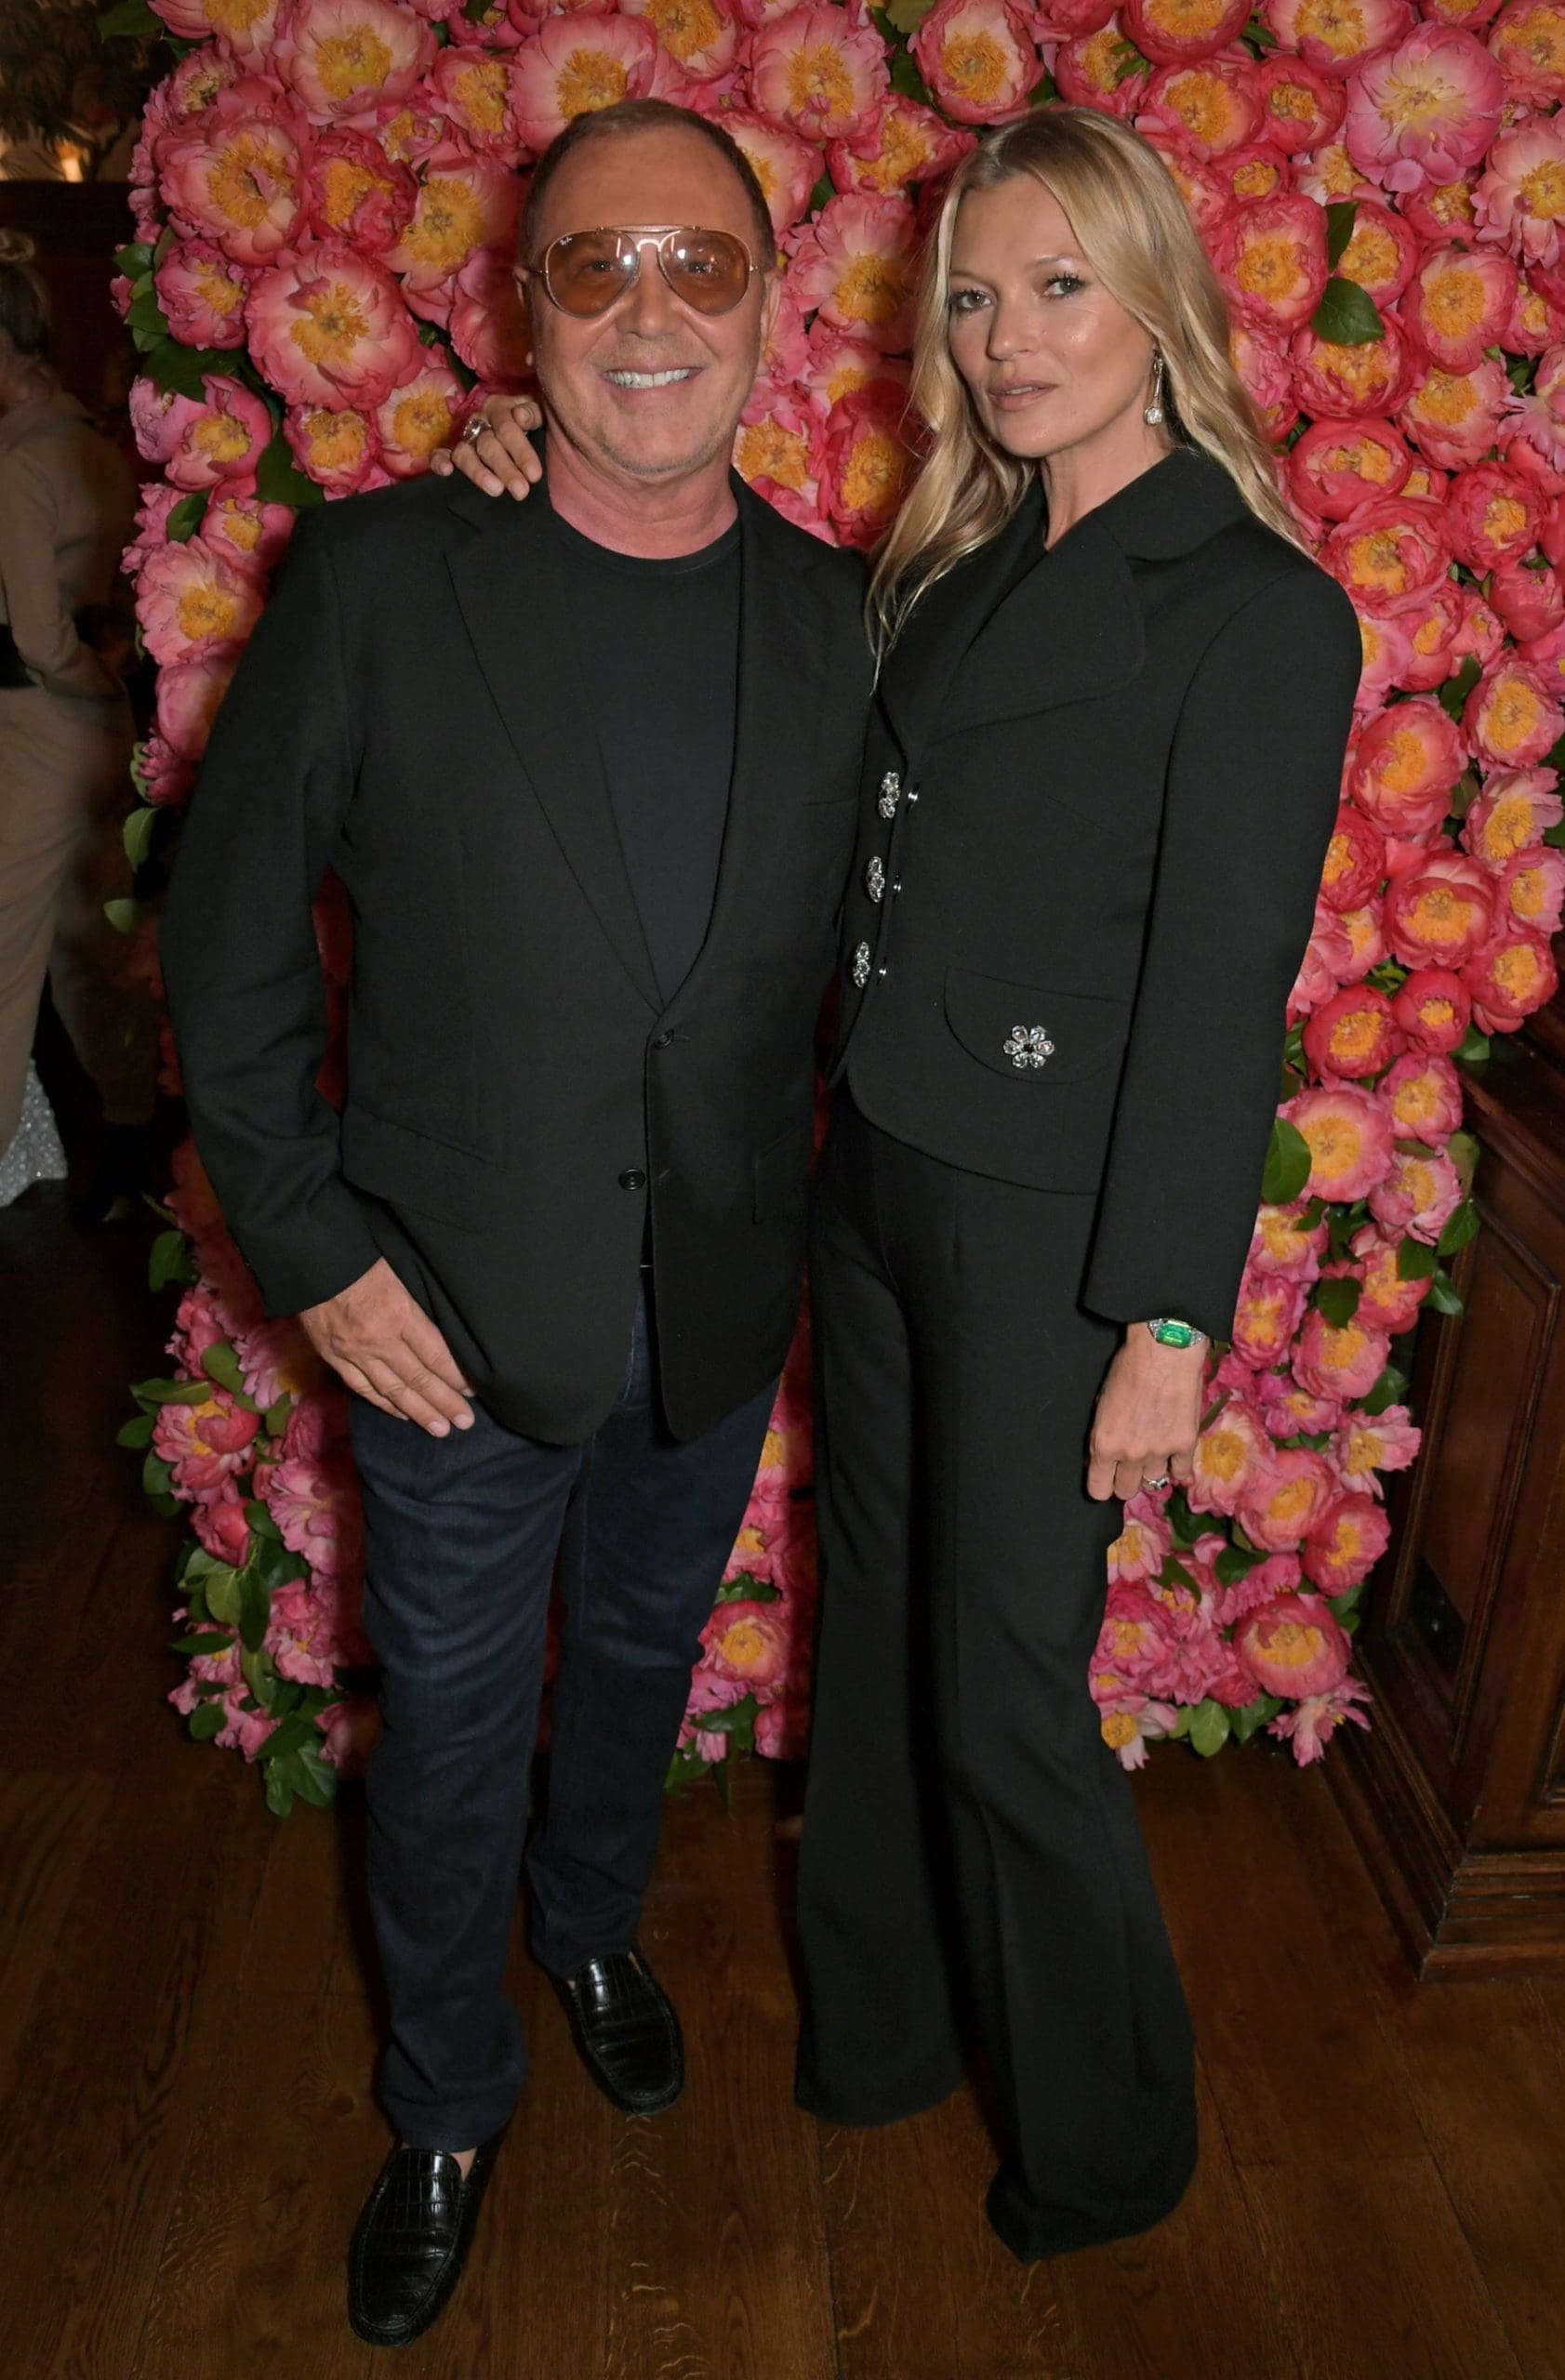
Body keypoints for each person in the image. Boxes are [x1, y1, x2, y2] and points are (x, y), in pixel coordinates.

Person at [455, 106, 1360, 2264]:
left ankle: (1107, 2146)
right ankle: (876, 2035)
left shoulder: (1253, 610)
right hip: (871, 1178)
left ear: (1157, 304)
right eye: (971, 298)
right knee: (867, 1647)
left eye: (1055, 288)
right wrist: (522, 455)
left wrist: (1166, 1316)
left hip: (1053, 1234)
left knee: (1003, 1692)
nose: (1005, 337)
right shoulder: (955, 563)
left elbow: (1219, 997)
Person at [160, 100, 869, 2349]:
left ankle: (588, 1923)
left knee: (638, 1670)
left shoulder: (845, 619)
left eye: (698, 263)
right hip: (443, 1321)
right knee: (453, 1723)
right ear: (521, 310)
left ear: (769, 304)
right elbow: (223, 935)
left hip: (716, 1306)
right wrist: (311, 1244)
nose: (649, 310)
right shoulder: (384, 576)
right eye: (594, 265)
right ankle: (447, 2097)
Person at [0, 231, 155, 1215]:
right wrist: (117, 690)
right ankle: (133, 1140)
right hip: (103, 736)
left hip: (35, 728)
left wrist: (87, 682)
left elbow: (34, 635)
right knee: (92, 947)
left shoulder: (18, 463)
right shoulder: (92, 441)